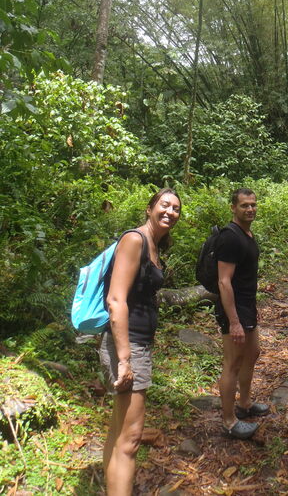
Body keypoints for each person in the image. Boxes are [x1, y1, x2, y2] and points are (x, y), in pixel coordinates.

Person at [99, 188, 181, 496]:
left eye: (175, 208)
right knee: (131, 438)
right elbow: (116, 299)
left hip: (137, 344)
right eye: (164, 205)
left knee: (118, 432)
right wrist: (125, 359)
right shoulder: (135, 240)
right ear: (149, 208)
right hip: (127, 346)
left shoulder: (154, 246)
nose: (170, 212)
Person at [216, 188, 269, 439]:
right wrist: (234, 321)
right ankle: (228, 421)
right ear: (233, 208)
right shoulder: (231, 237)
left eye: (253, 205)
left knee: (252, 353)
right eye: (244, 205)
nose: (250, 209)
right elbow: (224, 282)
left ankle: (245, 404)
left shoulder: (246, 233)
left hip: (247, 306)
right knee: (233, 363)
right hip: (233, 309)